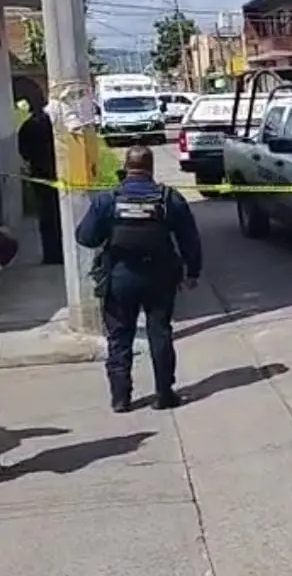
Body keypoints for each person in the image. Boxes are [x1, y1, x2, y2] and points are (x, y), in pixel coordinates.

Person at [75, 145, 202, 413]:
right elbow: (189, 239)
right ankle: (164, 394)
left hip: (120, 277)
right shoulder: (168, 198)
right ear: (151, 168)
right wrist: (192, 272)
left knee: (120, 337)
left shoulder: (108, 200)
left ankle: (121, 397)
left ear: (126, 167)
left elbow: (86, 238)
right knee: (160, 333)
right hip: (160, 277)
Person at [17, 97, 62, 264]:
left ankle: (51, 255)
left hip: (40, 175)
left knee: (46, 216)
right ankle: (64, 251)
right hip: (60, 172)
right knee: (61, 214)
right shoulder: (56, 124)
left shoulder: (27, 126)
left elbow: (24, 153)